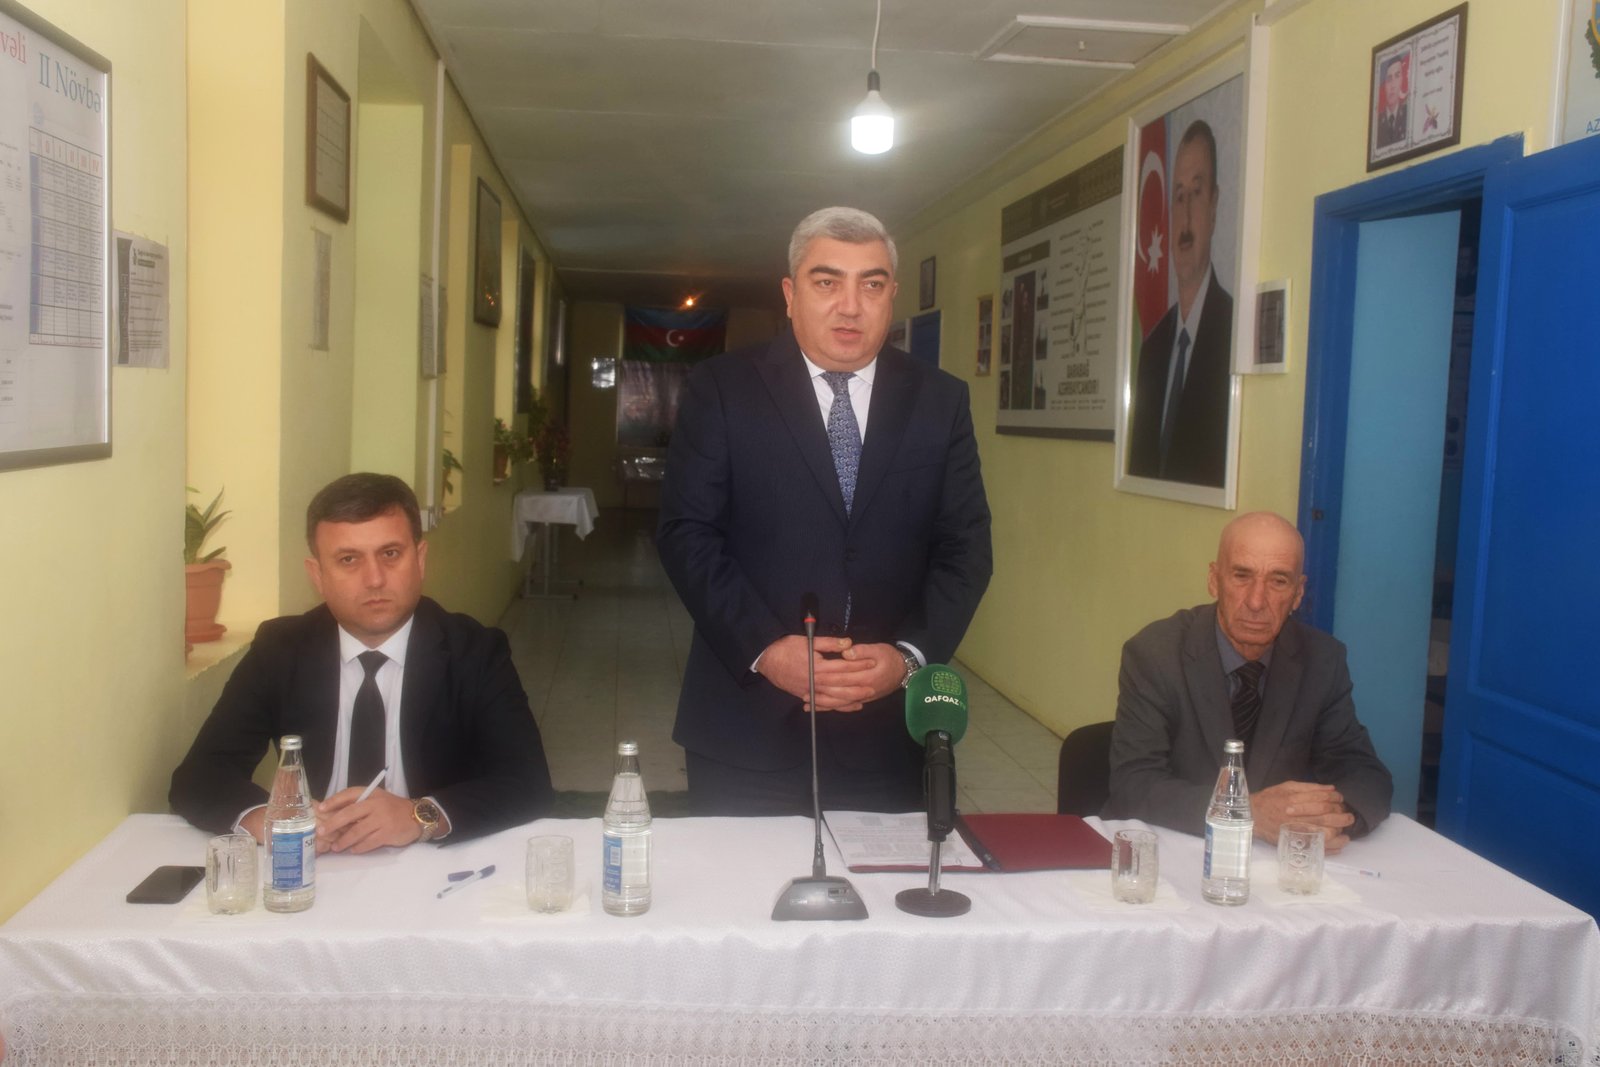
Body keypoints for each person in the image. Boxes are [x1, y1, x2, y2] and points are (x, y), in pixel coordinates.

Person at [657, 206, 993, 816]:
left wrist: (909, 657)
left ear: (891, 295)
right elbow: (688, 535)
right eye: (827, 282)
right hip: (746, 725)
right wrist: (766, 649)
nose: (850, 306)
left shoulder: (939, 401)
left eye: (871, 284)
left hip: (884, 730)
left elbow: (965, 549)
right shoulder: (723, 389)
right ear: (790, 295)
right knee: (741, 879)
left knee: (881, 880)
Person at [170, 473, 553, 851]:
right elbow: (200, 775)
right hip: (317, 861)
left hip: (431, 862)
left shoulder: (475, 651)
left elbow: (527, 782)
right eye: (348, 559)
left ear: (420, 560)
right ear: (318, 575)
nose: (374, 579)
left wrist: (420, 815)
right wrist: (269, 819)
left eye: (390, 554)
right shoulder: (281, 650)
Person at [1106, 511, 1391, 852]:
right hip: (1172, 849)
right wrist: (1245, 812)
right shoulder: (1155, 654)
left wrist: (1329, 817)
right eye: (1242, 576)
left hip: (1270, 860)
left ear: (1298, 593)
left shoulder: (1322, 660)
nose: (1256, 602)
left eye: (1278, 581)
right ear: (1214, 580)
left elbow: (1363, 773)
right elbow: (1134, 784)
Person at [1127, 119, 1233, 488]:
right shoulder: (1152, 350)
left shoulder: (1233, 334)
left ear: (1214, 206)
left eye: (1197, 193)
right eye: (1178, 195)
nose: (1185, 216)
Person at [1375, 55, 1409, 149]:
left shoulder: (1408, 114)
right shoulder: (1377, 123)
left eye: (1397, 76)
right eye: (1389, 79)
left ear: (1402, 80)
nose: (1392, 85)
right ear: (1384, 85)